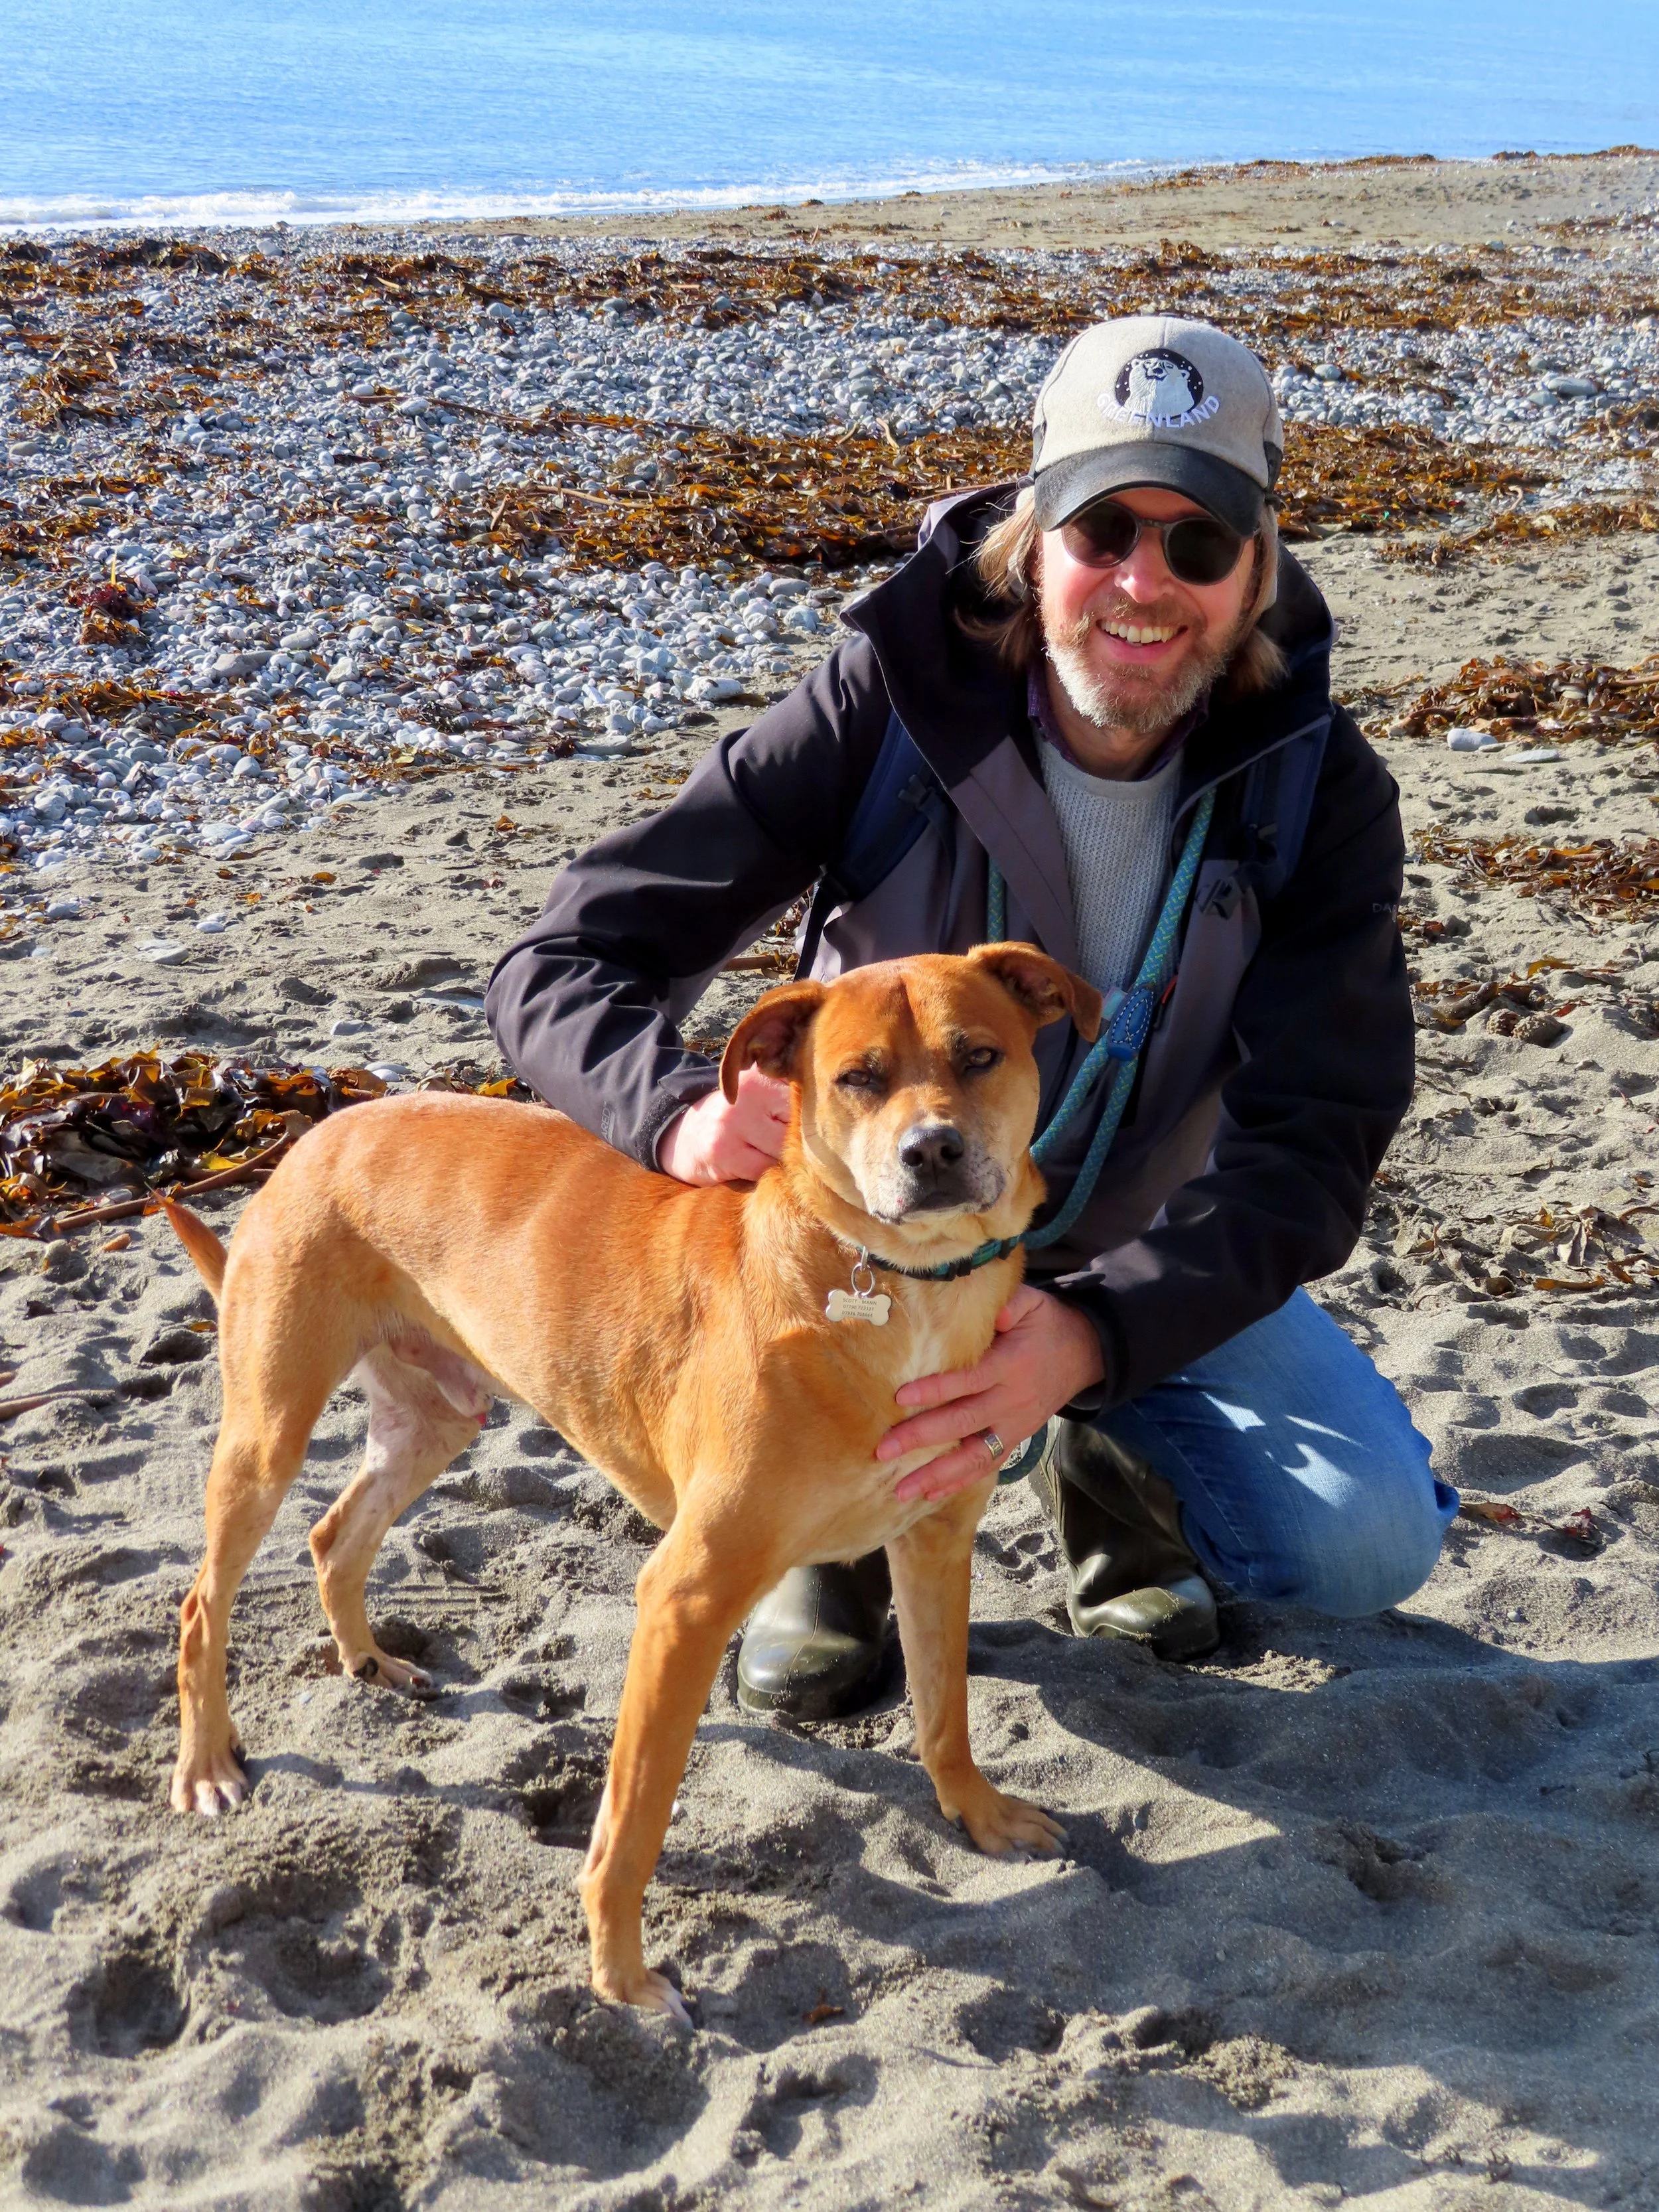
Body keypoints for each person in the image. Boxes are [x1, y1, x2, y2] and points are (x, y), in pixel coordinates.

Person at [486, 313, 1457, 1720]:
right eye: (1102, 528)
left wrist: (1098, 1332)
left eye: (1198, 546)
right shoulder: (884, 704)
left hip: (1134, 1248)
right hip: (863, 1253)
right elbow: (563, 957)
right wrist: (675, 1110)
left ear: (1255, 575)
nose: (1142, 582)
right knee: (817, 1638)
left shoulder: (1315, 785)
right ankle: (839, 1547)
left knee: (1365, 1537)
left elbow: (1317, 1137)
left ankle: (1107, 1455)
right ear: (1029, 538)